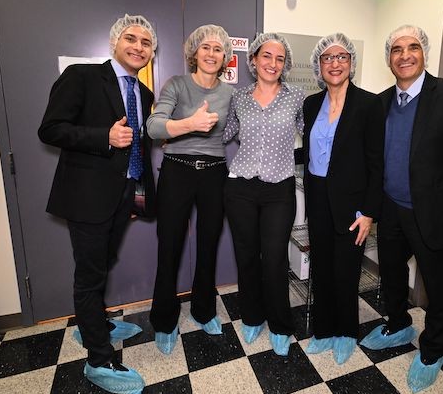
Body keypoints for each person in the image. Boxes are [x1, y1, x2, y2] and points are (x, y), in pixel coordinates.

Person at [358, 25, 443, 393]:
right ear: (389, 58)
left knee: (437, 284)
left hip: (433, 212)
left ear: (424, 53)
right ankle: (399, 324)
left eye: (412, 47)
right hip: (391, 210)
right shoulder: (382, 102)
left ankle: (434, 348)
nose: (405, 55)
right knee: (390, 275)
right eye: (397, 49)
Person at [38, 14, 157, 394]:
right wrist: (103, 136)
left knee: (102, 264)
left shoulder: (145, 94)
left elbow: (139, 143)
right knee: (89, 276)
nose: (139, 47)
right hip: (87, 196)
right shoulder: (82, 76)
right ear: (114, 43)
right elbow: (51, 128)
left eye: (146, 43)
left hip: (124, 195)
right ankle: (98, 358)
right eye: (131, 38)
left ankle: (96, 324)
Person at [146, 25, 234, 355]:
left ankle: (203, 310)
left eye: (218, 49)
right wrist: (189, 125)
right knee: (170, 246)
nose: (212, 54)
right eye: (206, 48)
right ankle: (165, 320)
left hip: (214, 174)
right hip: (177, 171)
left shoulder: (231, 94)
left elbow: (244, 127)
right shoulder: (177, 85)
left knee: (208, 244)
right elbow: (154, 127)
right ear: (194, 53)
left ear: (225, 57)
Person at [301, 33, 384, 364]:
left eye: (341, 57)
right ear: (318, 65)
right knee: (321, 267)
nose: (334, 63)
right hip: (318, 198)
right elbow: (311, 152)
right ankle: (324, 330)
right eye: (327, 58)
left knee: (347, 270)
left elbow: (377, 164)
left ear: (351, 63)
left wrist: (369, 212)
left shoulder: (369, 104)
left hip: (353, 204)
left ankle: (347, 332)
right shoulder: (311, 104)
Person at [222, 33, 305, 356]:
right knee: (246, 256)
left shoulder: (296, 97)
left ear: (285, 65)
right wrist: (185, 132)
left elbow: (312, 133)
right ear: (253, 60)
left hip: (279, 189)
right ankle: (253, 316)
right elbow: (225, 133)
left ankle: (281, 325)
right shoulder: (238, 97)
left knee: (274, 259)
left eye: (280, 58)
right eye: (266, 56)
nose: (273, 63)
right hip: (240, 186)